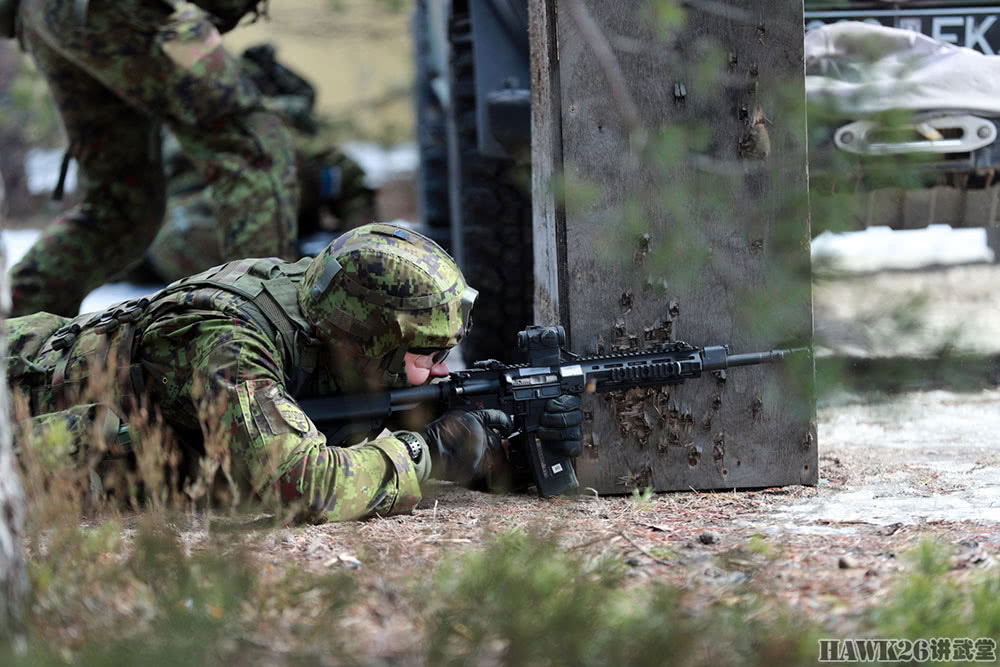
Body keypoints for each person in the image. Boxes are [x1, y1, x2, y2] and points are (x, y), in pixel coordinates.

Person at [7, 224, 584, 522]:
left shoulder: (335, 313)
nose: (441, 372)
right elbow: (303, 482)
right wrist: (429, 451)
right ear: (370, 344)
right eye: (427, 356)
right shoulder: (227, 339)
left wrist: (506, 449)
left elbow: (351, 414)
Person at [9, 0, 299, 317]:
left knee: (121, 201)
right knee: (249, 143)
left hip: (44, 16)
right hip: (122, 10)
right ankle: (266, 327)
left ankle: (23, 338)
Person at [127, 43, 375, 285]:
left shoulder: (180, 129)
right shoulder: (274, 132)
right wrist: (358, 254)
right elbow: (347, 176)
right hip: (238, 255)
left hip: (173, 245)